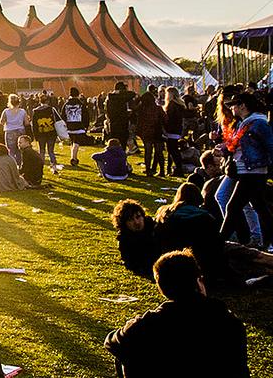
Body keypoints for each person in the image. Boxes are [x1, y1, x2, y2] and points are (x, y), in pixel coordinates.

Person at [104, 250, 248, 377]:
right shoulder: (229, 322)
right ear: (199, 282)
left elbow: (112, 342)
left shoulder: (148, 324)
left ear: (162, 289)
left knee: (127, 354)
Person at [218, 92, 273, 245]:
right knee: (260, 208)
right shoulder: (245, 123)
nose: (231, 108)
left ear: (243, 106)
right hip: (248, 171)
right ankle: (268, 242)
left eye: (234, 105)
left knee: (233, 206)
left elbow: (270, 146)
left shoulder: (258, 123)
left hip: (253, 172)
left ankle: (220, 241)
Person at [154, 183, 226, 283]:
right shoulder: (205, 217)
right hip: (203, 266)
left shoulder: (164, 213)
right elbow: (217, 245)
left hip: (169, 262)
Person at [111, 199, 160, 279]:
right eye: (130, 220)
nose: (136, 222)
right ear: (124, 223)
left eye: (138, 217)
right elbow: (132, 263)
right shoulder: (125, 240)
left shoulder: (156, 228)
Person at [134, 88, 166, 177]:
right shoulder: (158, 108)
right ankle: (162, 170)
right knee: (159, 152)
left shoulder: (141, 109)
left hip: (146, 132)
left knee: (148, 152)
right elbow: (165, 119)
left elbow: (134, 109)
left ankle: (148, 170)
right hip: (157, 131)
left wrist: (138, 99)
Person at [61, 87, 91, 167]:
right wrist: (86, 126)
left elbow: (62, 116)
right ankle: (74, 158)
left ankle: (73, 157)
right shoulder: (81, 104)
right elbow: (86, 116)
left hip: (69, 127)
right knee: (76, 143)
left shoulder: (66, 104)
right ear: (78, 95)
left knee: (73, 143)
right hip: (79, 126)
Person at [30, 94, 61, 172]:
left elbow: (34, 125)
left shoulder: (35, 111)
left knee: (42, 151)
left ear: (40, 101)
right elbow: (57, 120)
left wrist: (35, 135)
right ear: (47, 101)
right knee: (51, 151)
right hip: (51, 133)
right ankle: (54, 167)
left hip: (41, 134)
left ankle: (41, 167)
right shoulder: (51, 109)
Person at [163, 88, 187, 177]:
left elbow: (169, 118)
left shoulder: (172, 105)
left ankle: (178, 169)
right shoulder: (179, 105)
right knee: (173, 150)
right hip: (177, 129)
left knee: (172, 150)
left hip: (171, 129)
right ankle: (173, 168)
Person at [104, 81, 135, 149]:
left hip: (113, 123)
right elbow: (133, 94)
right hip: (122, 123)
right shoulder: (121, 98)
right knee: (122, 143)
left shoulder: (110, 98)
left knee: (114, 143)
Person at [0, 94, 27, 165]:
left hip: (9, 131)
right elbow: (27, 122)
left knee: (11, 151)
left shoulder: (6, 111)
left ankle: (12, 165)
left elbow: (1, 122)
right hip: (20, 131)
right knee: (19, 151)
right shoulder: (22, 111)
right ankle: (20, 165)